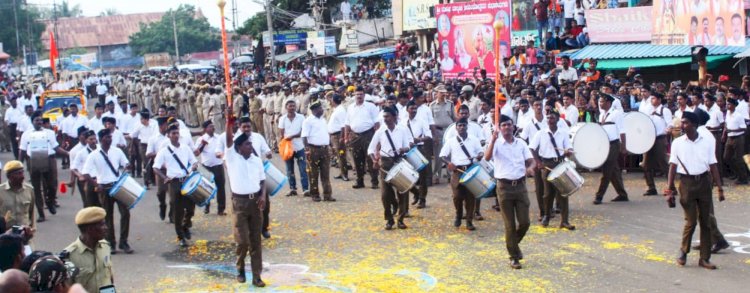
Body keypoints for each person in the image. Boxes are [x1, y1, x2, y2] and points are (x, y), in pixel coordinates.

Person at [666, 111, 724, 270]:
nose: (682, 126)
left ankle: (704, 258)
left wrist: (719, 187)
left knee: (705, 222)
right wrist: (669, 189)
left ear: (695, 124)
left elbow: (713, 165)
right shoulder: (678, 143)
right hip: (686, 183)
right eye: (682, 123)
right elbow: (672, 166)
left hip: (704, 182)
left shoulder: (707, 141)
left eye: (685, 123)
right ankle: (683, 251)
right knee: (691, 221)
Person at [485, 114, 535, 269]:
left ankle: (513, 244)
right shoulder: (496, 143)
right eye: (503, 125)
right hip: (504, 187)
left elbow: (530, 160)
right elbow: (487, 158)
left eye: (509, 125)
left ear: (513, 126)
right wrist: (492, 141)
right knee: (509, 225)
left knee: (525, 222)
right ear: (499, 128)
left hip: (520, 186)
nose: (507, 128)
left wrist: (531, 167)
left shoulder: (521, 143)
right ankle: (513, 256)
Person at [224, 114, 266, 287]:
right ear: (239, 147)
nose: (251, 145)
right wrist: (228, 124)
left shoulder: (256, 160)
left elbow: (262, 181)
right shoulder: (232, 158)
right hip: (239, 204)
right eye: (247, 143)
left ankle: (257, 275)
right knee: (243, 241)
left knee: (256, 240)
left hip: (255, 203)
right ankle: (240, 268)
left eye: (250, 142)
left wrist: (263, 196)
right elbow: (228, 141)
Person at [82, 128, 133, 254]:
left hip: (118, 185)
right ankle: (111, 242)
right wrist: (96, 185)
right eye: (106, 138)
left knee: (125, 213)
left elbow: (126, 164)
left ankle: (124, 241)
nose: (109, 140)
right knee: (108, 216)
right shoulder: (94, 155)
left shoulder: (117, 151)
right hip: (104, 187)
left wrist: (126, 168)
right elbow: (86, 173)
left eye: (110, 137)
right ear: (100, 140)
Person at [367, 106, 413, 230]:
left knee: (402, 191)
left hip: (399, 161)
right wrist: (374, 160)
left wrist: (404, 149)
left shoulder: (402, 130)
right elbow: (371, 149)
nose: (385, 119)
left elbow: (408, 146)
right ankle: (389, 219)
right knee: (385, 194)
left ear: (394, 117)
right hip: (385, 163)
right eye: (384, 117)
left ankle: (401, 219)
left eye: (387, 116)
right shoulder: (380, 131)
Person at [153, 123, 198, 247]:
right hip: (174, 182)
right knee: (177, 210)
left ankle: (186, 226)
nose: (176, 135)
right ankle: (180, 236)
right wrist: (164, 178)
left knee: (191, 207)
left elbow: (194, 162)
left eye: (177, 133)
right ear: (168, 135)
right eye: (173, 133)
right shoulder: (164, 151)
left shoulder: (185, 148)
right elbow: (155, 168)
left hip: (186, 180)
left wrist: (194, 166)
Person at [529, 111, 575, 230]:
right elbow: (532, 148)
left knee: (563, 193)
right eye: (548, 118)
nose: (550, 119)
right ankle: (546, 216)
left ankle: (564, 221)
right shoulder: (540, 133)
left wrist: (568, 152)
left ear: (558, 119)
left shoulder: (563, 133)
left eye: (553, 118)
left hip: (560, 163)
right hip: (547, 163)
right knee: (548, 194)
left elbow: (568, 147)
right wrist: (539, 163)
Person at [19, 111, 67, 222]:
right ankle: (41, 213)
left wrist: (68, 154)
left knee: (52, 185)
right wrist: (19, 164)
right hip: (34, 160)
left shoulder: (49, 132)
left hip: (49, 159)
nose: (39, 122)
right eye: (36, 120)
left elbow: (56, 148)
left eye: (40, 120)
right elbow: (22, 150)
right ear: (32, 122)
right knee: (36, 188)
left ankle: (50, 201)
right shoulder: (26, 134)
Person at [439, 118, 483, 230]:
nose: (462, 127)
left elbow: (481, 151)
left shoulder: (474, 139)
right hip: (457, 171)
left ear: (467, 126)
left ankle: (469, 221)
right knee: (457, 196)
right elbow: (442, 156)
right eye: (460, 125)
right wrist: (449, 163)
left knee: (470, 197)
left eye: (464, 125)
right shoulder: (451, 141)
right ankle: (458, 215)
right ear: (456, 127)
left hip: (470, 170)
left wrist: (479, 156)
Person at [64, 207, 115, 293]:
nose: (106, 228)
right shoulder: (70, 256)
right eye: (102, 225)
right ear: (90, 229)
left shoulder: (105, 246)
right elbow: (67, 288)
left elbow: (110, 278)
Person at [594, 94, 628, 204]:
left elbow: (622, 130)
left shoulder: (616, 114)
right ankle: (622, 194)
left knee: (607, 170)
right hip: (605, 144)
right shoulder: (602, 114)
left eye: (602, 101)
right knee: (614, 171)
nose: (600, 103)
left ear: (608, 102)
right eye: (599, 101)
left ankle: (599, 196)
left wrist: (623, 146)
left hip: (614, 145)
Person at [345, 87, 381, 189]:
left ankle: (374, 181)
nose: (359, 96)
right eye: (357, 94)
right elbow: (347, 123)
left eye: (361, 94)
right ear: (354, 96)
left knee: (370, 158)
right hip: (355, 136)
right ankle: (359, 181)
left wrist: (377, 138)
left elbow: (377, 123)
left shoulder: (370, 106)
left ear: (364, 95)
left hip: (368, 135)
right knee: (357, 159)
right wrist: (346, 137)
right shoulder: (350, 107)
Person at [301, 101, 335, 202]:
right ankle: (315, 194)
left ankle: (327, 195)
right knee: (313, 173)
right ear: (314, 110)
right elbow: (304, 137)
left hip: (324, 149)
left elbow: (326, 134)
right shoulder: (308, 121)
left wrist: (331, 146)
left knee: (326, 173)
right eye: (320, 108)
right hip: (313, 149)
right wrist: (307, 150)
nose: (322, 110)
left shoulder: (323, 120)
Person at [403, 100, 432, 209]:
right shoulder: (402, 122)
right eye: (412, 108)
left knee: (422, 176)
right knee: (407, 175)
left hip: (419, 149)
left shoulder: (421, 121)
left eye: (415, 108)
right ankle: (415, 192)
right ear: (407, 110)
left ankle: (422, 199)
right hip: (407, 151)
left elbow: (428, 136)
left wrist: (418, 139)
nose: (414, 110)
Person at [194, 120, 226, 215]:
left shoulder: (219, 137)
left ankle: (221, 209)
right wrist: (202, 144)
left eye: (213, 126)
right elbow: (196, 153)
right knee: (206, 188)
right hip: (207, 167)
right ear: (205, 129)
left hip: (218, 166)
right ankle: (206, 206)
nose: (213, 128)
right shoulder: (201, 139)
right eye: (210, 127)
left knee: (221, 188)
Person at [278, 100, 310, 197]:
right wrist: (281, 146)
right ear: (286, 108)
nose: (291, 108)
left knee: (303, 169)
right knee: (289, 169)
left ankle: (305, 189)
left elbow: (303, 132)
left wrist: (292, 136)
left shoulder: (301, 118)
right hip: (288, 148)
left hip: (299, 146)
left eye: (293, 106)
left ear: (295, 107)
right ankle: (292, 189)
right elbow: (281, 134)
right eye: (290, 106)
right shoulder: (282, 119)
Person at [643, 94, 672, 195]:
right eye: (651, 98)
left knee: (663, 163)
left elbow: (670, 124)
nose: (652, 100)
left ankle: (671, 187)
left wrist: (667, 131)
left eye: (654, 98)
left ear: (659, 100)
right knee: (646, 164)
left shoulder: (665, 110)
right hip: (649, 139)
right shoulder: (648, 110)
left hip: (660, 138)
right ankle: (651, 187)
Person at [0, 160, 35, 227]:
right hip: (5, 233)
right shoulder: (1, 191)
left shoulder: (29, 189)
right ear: (9, 176)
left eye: (22, 173)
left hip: (24, 232)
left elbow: (32, 212)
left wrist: (32, 228)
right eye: (18, 173)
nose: (22, 176)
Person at [722, 98, 747, 184]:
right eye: (727, 104)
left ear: (733, 105)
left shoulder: (738, 115)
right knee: (726, 157)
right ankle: (736, 173)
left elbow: (744, 128)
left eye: (729, 104)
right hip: (729, 137)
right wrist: (724, 134)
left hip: (738, 138)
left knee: (739, 159)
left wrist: (733, 130)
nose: (727, 106)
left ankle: (743, 178)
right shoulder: (728, 113)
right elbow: (726, 124)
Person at [73, 130, 100, 207]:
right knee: (89, 203)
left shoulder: (101, 150)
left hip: (100, 179)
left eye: (94, 139)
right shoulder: (81, 153)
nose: (93, 141)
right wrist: (80, 175)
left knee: (101, 203)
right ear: (86, 141)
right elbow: (74, 168)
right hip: (88, 180)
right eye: (91, 139)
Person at [328, 94, 349, 181]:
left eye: (331, 100)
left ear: (334, 101)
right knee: (338, 155)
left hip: (338, 135)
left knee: (341, 155)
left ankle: (344, 174)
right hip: (334, 135)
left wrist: (342, 138)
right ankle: (342, 172)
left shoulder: (340, 110)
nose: (330, 101)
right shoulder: (337, 109)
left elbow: (343, 126)